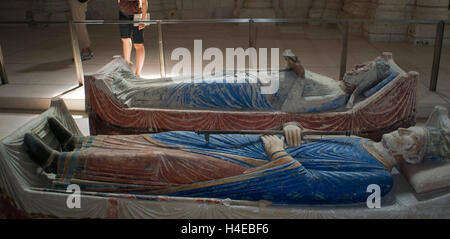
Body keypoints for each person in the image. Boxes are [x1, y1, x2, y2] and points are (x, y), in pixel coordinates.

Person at [22, 106, 450, 205]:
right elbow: (307, 140)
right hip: (255, 149)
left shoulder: (377, 179)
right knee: (177, 137)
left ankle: (59, 164)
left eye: (409, 135)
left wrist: (281, 152)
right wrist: (290, 129)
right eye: (405, 127)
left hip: (257, 173)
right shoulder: (362, 144)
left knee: (167, 164)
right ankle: (85, 144)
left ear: (414, 155)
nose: (399, 130)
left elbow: (308, 187)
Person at [97, 50, 394, 113]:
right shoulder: (334, 83)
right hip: (255, 80)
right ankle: (133, 84)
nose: (357, 66)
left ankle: (128, 96)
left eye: (364, 69)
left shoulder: (338, 97)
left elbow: (292, 109)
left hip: (252, 96)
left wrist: (300, 78)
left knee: (191, 91)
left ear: (366, 81)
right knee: (193, 78)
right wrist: (295, 66)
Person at [112, 0, 148, 77]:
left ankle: (138, 73)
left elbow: (144, 1)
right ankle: (126, 68)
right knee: (125, 40)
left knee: (138, 43)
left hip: (136, 13)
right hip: (122, 11)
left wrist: (143, 19)